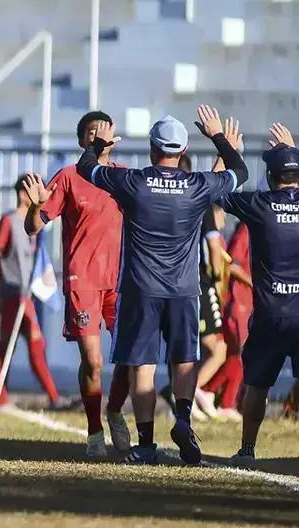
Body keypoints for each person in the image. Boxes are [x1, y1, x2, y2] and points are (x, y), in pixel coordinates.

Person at [76, 106, 248, 465]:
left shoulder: (133, 183)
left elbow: (86, 168)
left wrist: (101, 144)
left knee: (143, 366)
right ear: (182, 152)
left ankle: (145, 444)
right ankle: (183, 420)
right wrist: (219, 138)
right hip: (185, 290)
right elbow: (240, 172)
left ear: (153, 150)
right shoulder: (198, 185)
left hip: (141, 290)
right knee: (185, 360)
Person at [23, 111, 131, 456]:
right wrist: (35, 207)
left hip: (120, 280)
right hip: (82, 279)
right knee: (95, 361)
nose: (99, 137)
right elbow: (34, 226)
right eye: (91, 132)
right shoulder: (68, 177)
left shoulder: (123, 177)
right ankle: (95, 432)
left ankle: (114, 411)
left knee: (131, 356)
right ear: (82, 140)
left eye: (104, 131)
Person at [222, 123, 299, 462]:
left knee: (257, 386)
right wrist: (292, 150)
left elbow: (218, 192)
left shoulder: (260, 204)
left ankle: (248, 450)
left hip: (269, 314)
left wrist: (227, 150)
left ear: (270, 176)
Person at [0, 176, 64, 409]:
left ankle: (54, 397)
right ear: (24, 194)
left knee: (36, 343)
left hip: (27, 295)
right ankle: (1, 395)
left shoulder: (36, 223)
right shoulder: (9, 221)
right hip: (12, 292)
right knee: (6, 344)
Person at [202, 220, 252, 421]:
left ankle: (219, 397)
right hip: (238, 303)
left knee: (234, 356)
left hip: (249, 303)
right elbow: (233, 266)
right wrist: (257, 284)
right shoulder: (246, 230)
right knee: (238, 353)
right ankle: (213, 395)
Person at [193, 205, 230, 420]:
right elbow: (215, 253)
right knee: (217, 348)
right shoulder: (208, 226)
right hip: (204, 288)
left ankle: (192, 392)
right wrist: (216, 280)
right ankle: (187, 393)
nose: (225, 215)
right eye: (222, 210)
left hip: (201, 288)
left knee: (217, 348)